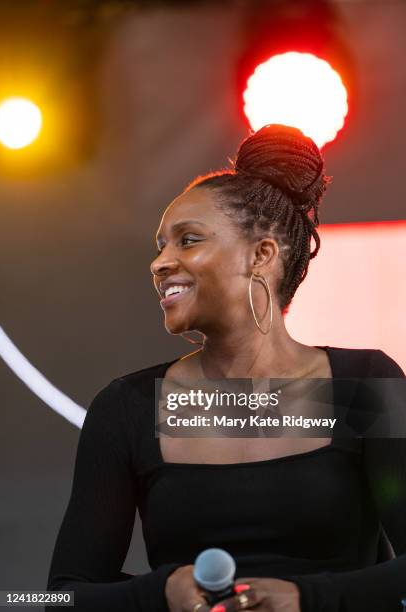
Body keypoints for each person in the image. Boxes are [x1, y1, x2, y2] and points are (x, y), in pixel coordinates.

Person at [46, 124, 406, 612]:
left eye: (188, 241)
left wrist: (305, 598)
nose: (160, 263)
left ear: (261, 255)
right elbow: (59, 598)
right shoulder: (128, 408)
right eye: (160, 246)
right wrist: (162, 591)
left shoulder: (362, 386)